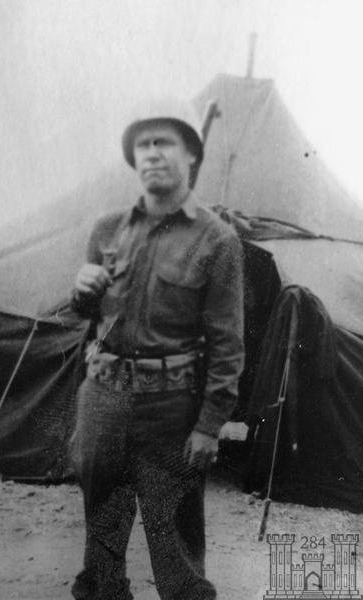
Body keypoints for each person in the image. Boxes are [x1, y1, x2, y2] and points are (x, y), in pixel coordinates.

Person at [69, 97, 244, 600]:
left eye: (164, 142)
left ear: (191, 154)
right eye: (142, 145)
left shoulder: (217, 240)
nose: (151, 153)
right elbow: (88, 319)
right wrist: (81, 293)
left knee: (178, 552)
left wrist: (209, 424)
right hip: (103, 399)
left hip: (172, 409)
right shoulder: (107, 229)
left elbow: (228, 343)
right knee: (102, 540)